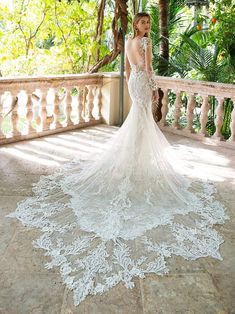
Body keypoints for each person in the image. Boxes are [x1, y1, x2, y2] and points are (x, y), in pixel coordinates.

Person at [7, 12, 227, 306]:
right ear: (138, 24)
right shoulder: (146, 44)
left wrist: (133, 88)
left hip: (132, 83)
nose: (147, 27)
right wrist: (153, 92)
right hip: (141, 82)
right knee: (142, 124)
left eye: (149, 23)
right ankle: (136, 163)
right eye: (144, 23)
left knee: (136, 125)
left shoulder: (127, 42)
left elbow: (126, 70)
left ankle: (133, 162)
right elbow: (147, 70)